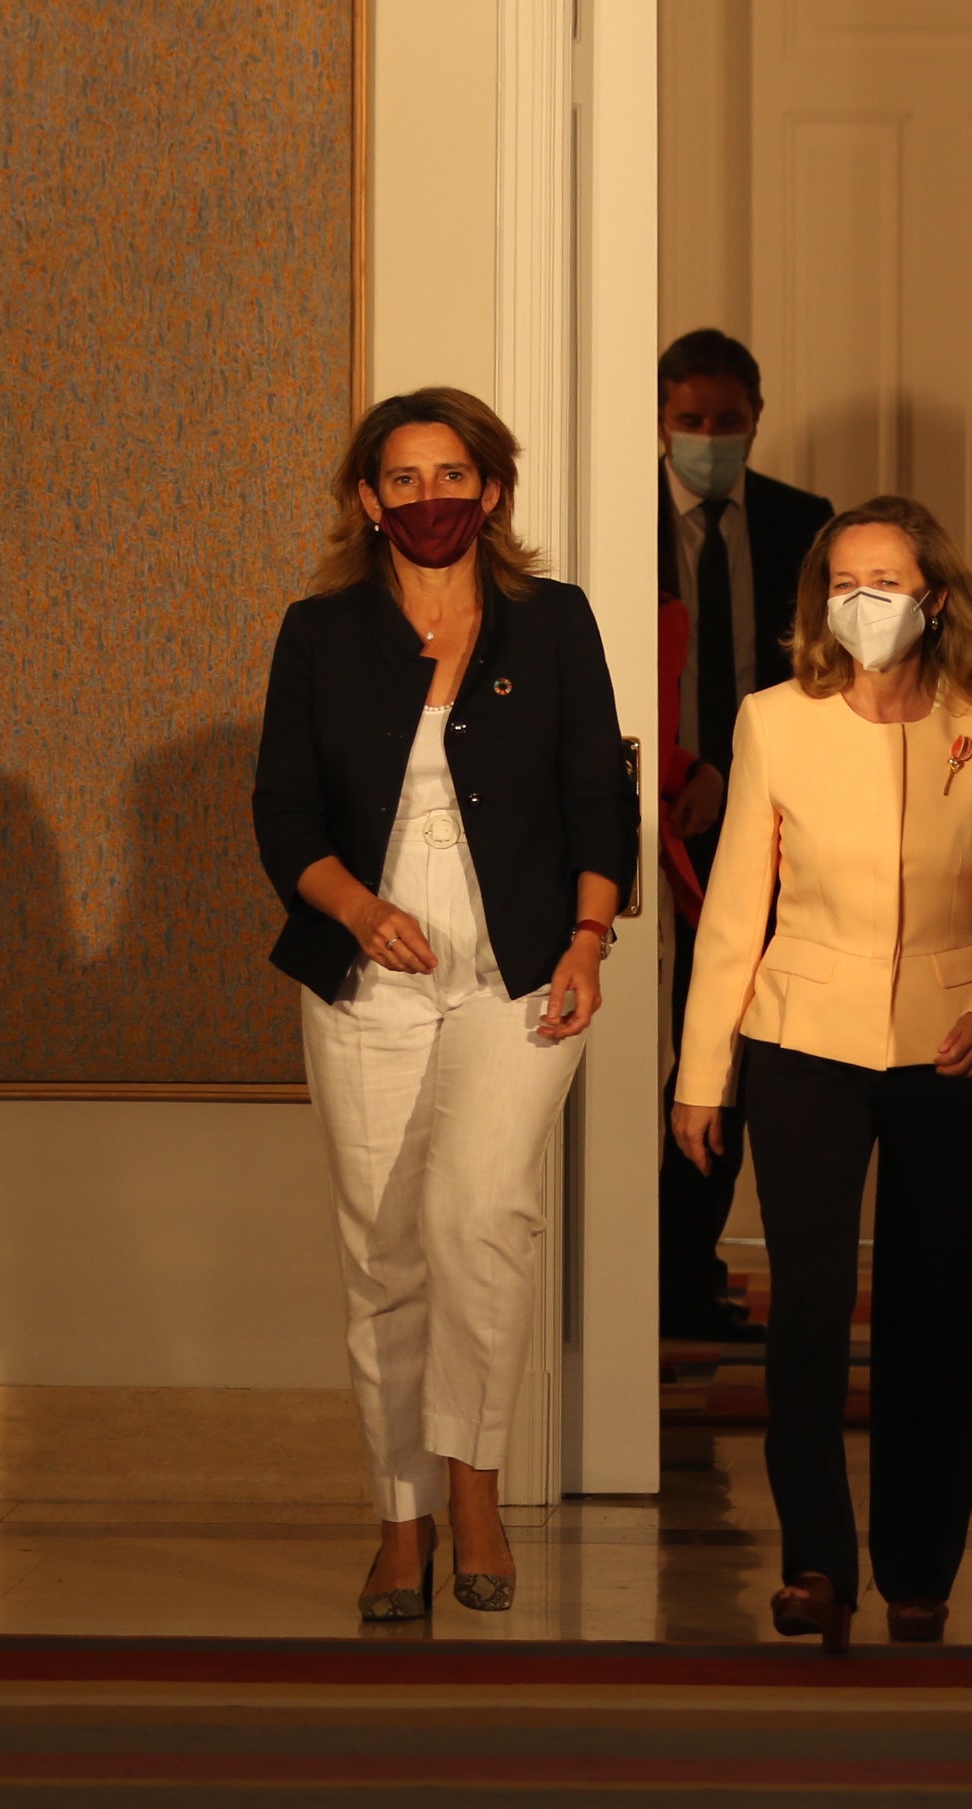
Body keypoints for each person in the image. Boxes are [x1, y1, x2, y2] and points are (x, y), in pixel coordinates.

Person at [253, 388, 634, 1625]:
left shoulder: (554, 622)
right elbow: (284, 818)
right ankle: (400, 1519)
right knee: (383, 1250)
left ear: (495, 491)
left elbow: (600, 799)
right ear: (368, 500)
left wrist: (588, 943)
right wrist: (358, 911)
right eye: (404, 480)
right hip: (369, 971)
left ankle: (476, 1484)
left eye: (453, 475)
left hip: (522, 964)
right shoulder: (319, 632)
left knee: (480, 1214)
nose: (431, 500)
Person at [671, 498, 972, 1650]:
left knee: (945, 1315)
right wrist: (701, 1072)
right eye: (844, 581)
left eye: (886, 579)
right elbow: (735, 906)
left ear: (936, 595)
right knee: (811, 1312)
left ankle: (921, 1565)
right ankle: (816, 1563)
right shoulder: (775, 719)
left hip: (956, 1042)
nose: (862, 600)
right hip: (802, 1042)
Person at [655, 329, 835, 1344]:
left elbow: (815, 666)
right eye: (692, 422)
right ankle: (661, 1270)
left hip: (767, 813)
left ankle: (692, 1267)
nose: (711, 440)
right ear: (663, 423)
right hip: (649, 819)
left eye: (728, 422)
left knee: (731, 1038)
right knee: (663, 1043)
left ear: (756, 417)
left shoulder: (803, 523)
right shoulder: (618, 511)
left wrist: (733, 774)